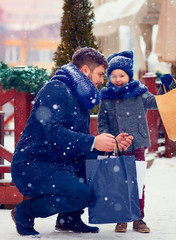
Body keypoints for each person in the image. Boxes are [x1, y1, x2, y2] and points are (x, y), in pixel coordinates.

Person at [10, 47, 133, 237]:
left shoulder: (80, 96)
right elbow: (54, 133)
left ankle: (69, 218)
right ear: (85, 70)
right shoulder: (56, 90)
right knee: (81, 193)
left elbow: (79, 144)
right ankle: (25, 212)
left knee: (96, 164)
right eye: (100, 74)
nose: (102, 80)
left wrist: (111, 144)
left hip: (58, 161)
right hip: (32, 165)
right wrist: (94, 142)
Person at [97, 50, 173, 233]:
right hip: (118, 146)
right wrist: (109, 139)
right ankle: (122, 217)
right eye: (113, 75)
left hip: (137, 142)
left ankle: (138, 218)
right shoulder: (107, 97)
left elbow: (158, 103)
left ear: (129, 76)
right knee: (120, 181)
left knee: (137, 182)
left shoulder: (139, 93)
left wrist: (165, 87)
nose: (117, 79)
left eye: (121, 75)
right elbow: (102, 122)